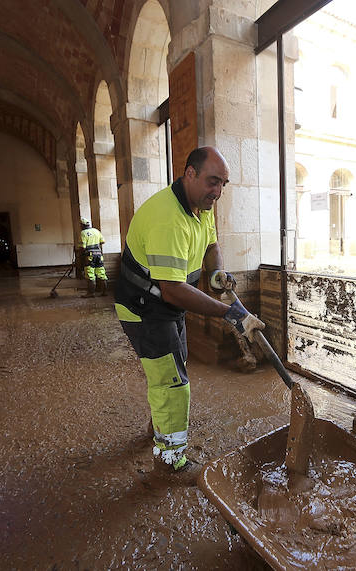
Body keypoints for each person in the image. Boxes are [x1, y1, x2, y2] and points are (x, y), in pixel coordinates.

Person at [114, 146, 265, 474]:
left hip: (166, 305)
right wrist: (232, 314)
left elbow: (211, 245)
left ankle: (158, 427)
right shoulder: (167, 218)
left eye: (224, 184)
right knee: (173, 383)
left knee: (174, 364)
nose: (218, 191)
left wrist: (216, 273)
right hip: (144, 308)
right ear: (190, 174)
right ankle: (170, 458)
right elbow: (172, 290)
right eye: (213, 181)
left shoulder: (201, 206)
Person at [77, 217, 108, 297]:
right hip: (99, 255)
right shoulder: (96, 231)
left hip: (89, 256)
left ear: (82, 225)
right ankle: (104, 292)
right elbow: (103, 241)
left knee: (90, 275)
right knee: (102, 274)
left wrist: (79, 257)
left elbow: (82, 247)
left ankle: (91, 293)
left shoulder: (83, 233)